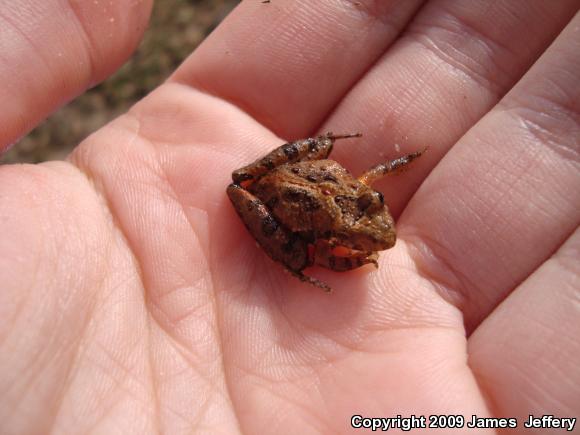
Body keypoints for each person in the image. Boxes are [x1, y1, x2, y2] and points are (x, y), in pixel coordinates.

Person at [1, 1, 578, 433]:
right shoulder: (337, 230)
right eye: (363, 236)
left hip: (299, 177)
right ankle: (289, 254)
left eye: (371, 215)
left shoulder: (365, 193)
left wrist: (367, 162)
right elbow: (335, 234)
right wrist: (313, 261)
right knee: (297, 251)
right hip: (280, 205)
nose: (376, 235)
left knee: (316, 199)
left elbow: (375, 178)